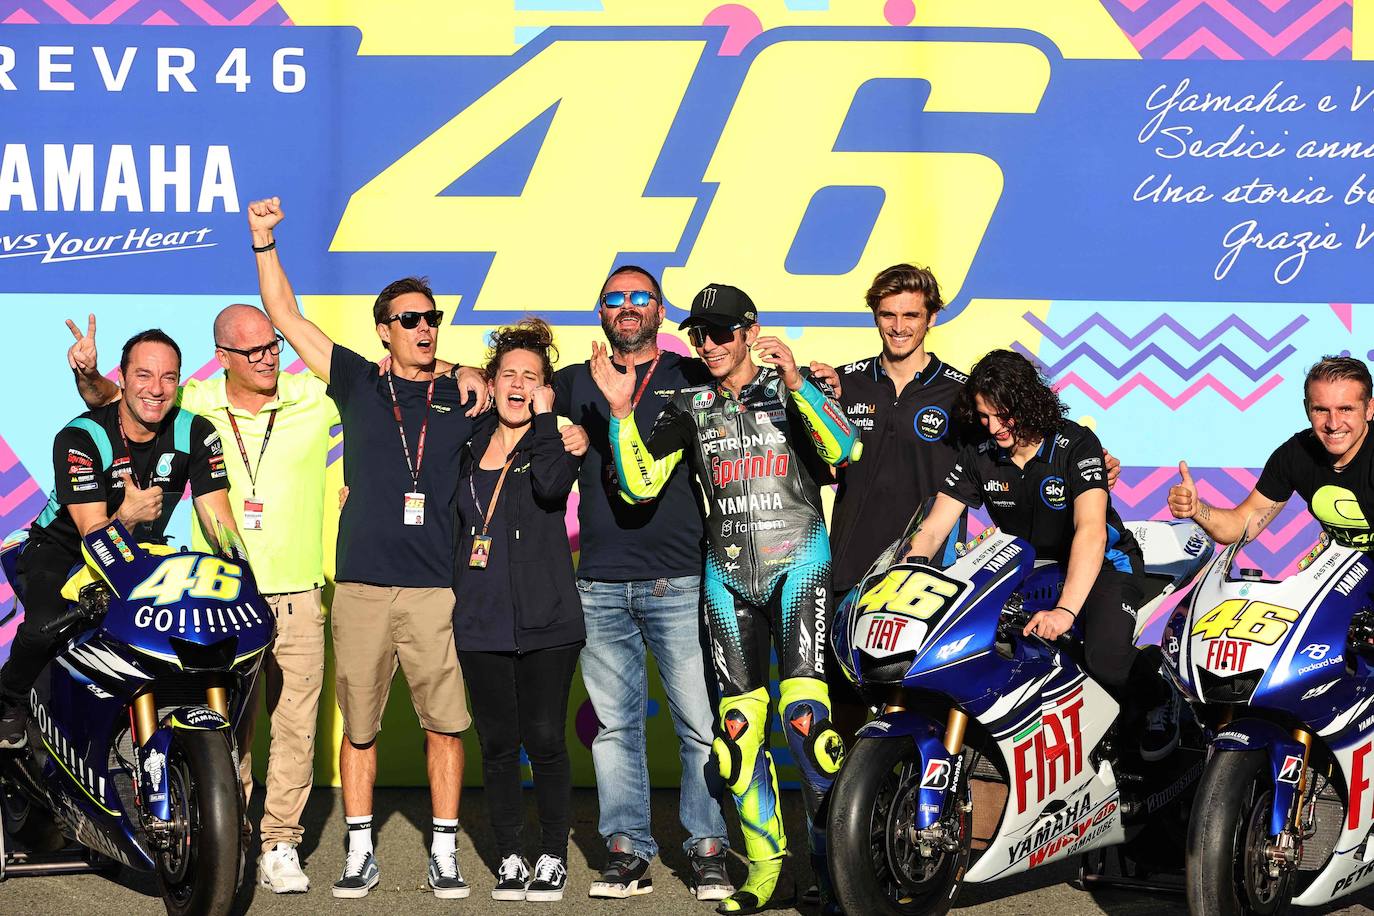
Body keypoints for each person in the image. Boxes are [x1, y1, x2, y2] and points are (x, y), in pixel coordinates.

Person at [64, 306, 350, 894]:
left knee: (294, 725)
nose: (268, 358)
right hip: (209, 596)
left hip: (293, 592)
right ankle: (228, 835)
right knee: (222, 723)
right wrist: (87, 374)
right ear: (222, 358)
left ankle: (280, 843)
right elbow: (125, 397)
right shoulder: (189, 401)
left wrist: (465, 375)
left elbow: (386, 389)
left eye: (272, 346)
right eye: (252, 352)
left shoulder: (311, 397)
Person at [594, 283, 858, 916]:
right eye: (697, 335)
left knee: (807, 726)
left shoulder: (788, 387)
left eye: (719, 333)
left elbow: (842, 449)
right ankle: (767, 872)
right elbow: (636, 488)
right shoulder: (688, 404)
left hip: (798, 568)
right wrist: (622, 412)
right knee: (736, 735)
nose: (707, 345)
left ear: (749, 330)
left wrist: (797, 382)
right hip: (727, 578)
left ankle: (829, 866)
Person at [247, 196, 484, 899]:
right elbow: (286, 316)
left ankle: (444, 851)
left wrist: (472, 369)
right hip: (358, 587)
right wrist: (263, 242)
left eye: (432, 319)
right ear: (384, 331)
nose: (423, 329)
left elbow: (520, 390)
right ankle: (359, 851)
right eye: (409, 320)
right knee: (360, 727)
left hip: (435, 587)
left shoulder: (459, 395)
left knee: (445, 725)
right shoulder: (355, 379)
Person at [552, 265, 732, 901]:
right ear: (600, 311)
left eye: (640, 298)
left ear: (660, 309)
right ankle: (627, 849)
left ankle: (708, 847)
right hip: (600, 581)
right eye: (614, 299)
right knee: (614, 729)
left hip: (678, 578)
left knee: (697, 724)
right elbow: (508, 397)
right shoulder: (573, 382)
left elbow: (750, 390)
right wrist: (467, 377)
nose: (627, 308)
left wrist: (813, 377)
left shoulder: (690, 374)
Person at [904, 349, 1178, 760]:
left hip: (1103, 563)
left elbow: (1090, 532)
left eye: (1003, 415)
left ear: (1029, 403)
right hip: (1030, 572)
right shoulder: (979, 454)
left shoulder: (1075, 442)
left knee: (1103, 660)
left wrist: (1066, 611)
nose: (993, 427)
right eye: (983, 416)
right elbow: (934, 527)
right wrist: (907, 577)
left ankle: (1159, 692)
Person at [0, 330, 238, 745]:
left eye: (169, 377)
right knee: (44, 626)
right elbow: (92, 530)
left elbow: (220, 522)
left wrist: (239, 573)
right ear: (123, 379)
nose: (157, 389)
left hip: (141, 551)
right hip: (62, 550)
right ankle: (10, 699)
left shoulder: (197, 433)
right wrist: (125, 517)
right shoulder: (80, 437)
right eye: (144, 375)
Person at [452, 318, 585, 902]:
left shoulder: (555, 439)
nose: (518, 384)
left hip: (547, 621)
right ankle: (509, 853)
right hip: (479, 619)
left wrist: (552, 420)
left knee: (545, 739)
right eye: (509, 374)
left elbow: (554, 489)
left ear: (544, 388)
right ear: (492, 380)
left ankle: (552, 853)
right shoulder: (467, 439)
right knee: (498, 743)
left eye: (531, 377)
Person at [1169, 356, 1374, 550]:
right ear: (1306, 409)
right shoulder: (1296, 454)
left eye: (1346, 409)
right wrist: (1196, 509)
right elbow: (1242, 526)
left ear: (1369, 409)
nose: (1333, 423)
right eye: (1321, 410)